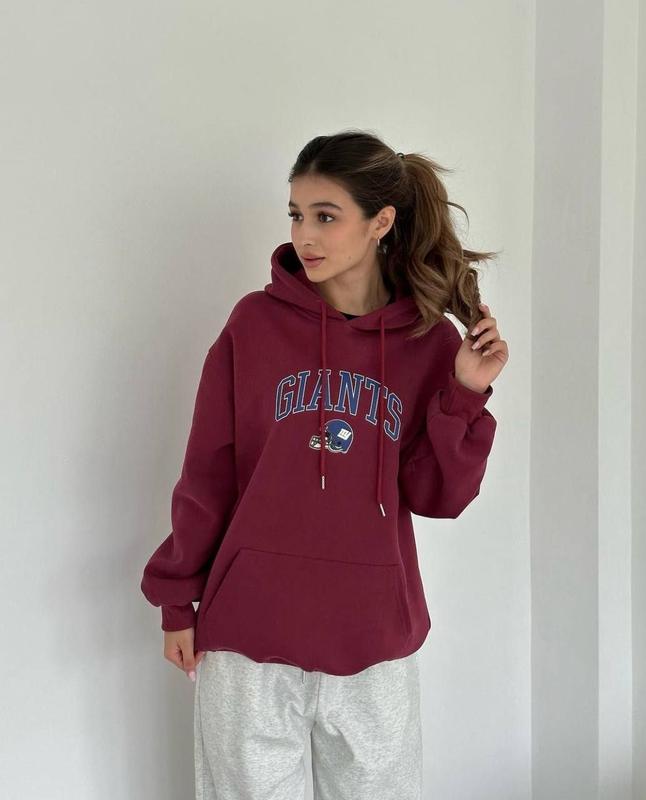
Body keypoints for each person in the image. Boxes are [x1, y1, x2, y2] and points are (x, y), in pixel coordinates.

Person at [140, 129, 509, 800]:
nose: (304, 235)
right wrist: (175, 600)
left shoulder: (429, 342)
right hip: (249, 635)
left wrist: (464, 392)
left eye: (325, 216)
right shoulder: (254, 325)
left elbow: (439, 497)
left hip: (374, 640)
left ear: (381, 223)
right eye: (296, 214)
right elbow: (208, 473)